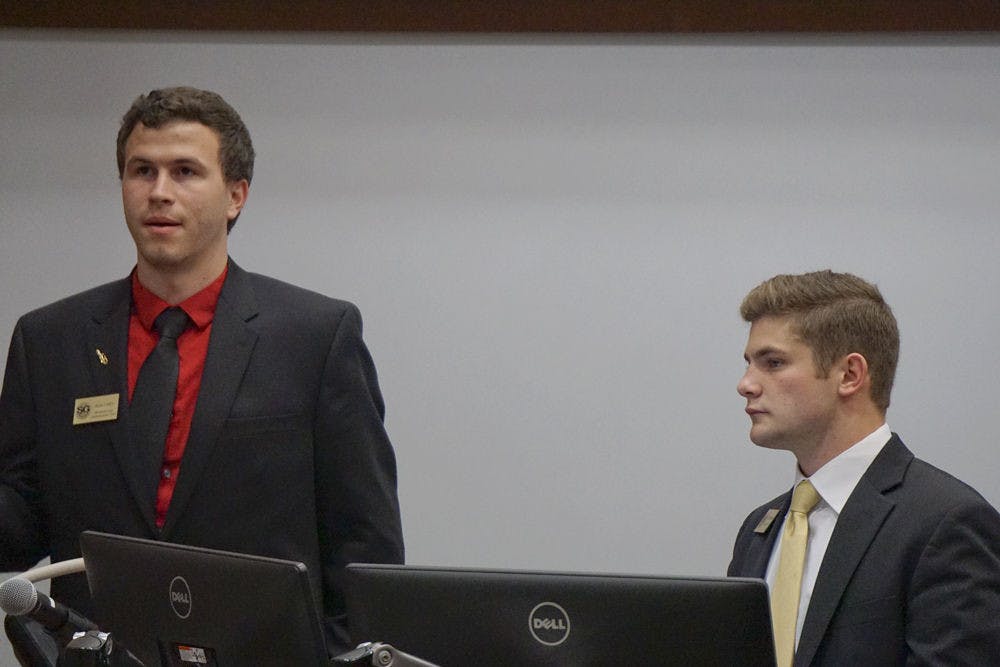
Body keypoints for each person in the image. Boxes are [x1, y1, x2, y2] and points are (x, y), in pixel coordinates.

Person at [0, 86, 404, 653]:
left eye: (185, 171)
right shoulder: (50, 341)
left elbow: (367, 551)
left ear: (236, 195)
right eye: (142, 171)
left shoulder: (315, 337)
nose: (159, 192)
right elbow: (16, 522)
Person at [728, 270, 1000, 666]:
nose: (746, 384)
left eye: (773, 363)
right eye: (749, 363)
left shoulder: (946, 523)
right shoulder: (759, 530)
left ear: (850, 375)